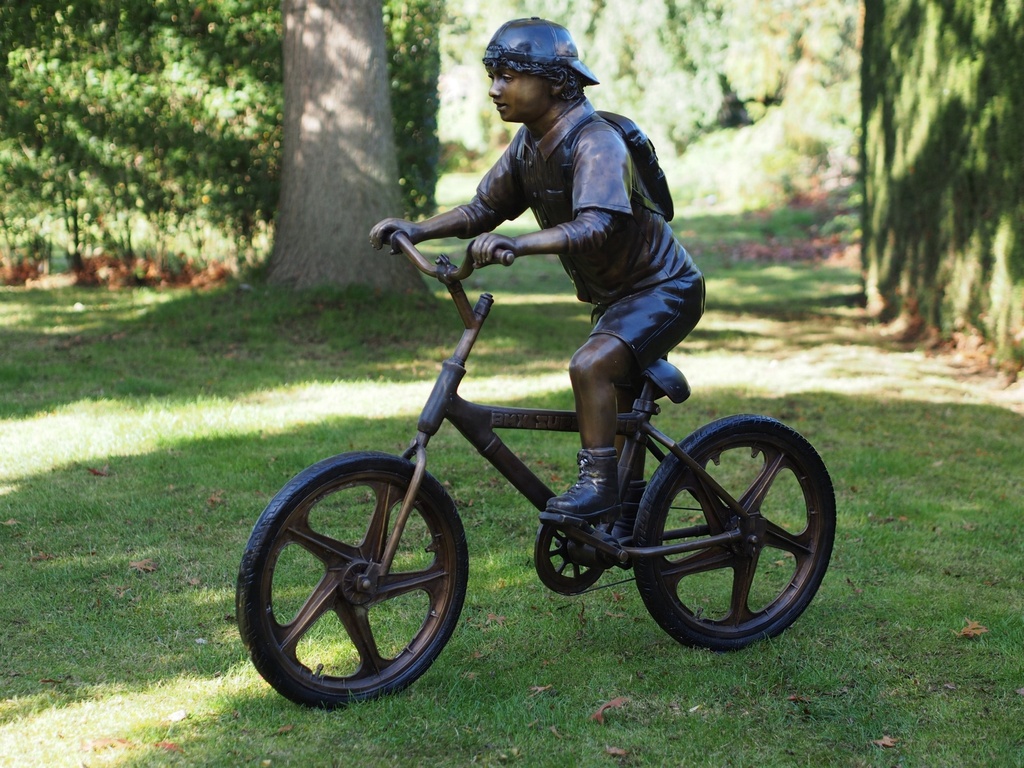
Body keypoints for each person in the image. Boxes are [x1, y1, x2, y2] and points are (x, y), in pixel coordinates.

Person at [370, 17, 704, 531]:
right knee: (612, 395)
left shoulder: (597, 143)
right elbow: (483, 207)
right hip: (618, 297)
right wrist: (417, 230)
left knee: (591, 365)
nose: (494, 88)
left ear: (553, 81)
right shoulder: (530, 144)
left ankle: (597, 488)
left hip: (665, 289)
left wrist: (518, 244)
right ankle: (625, 508)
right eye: (493, 74)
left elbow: (596, 225)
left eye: (508, 75)